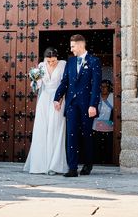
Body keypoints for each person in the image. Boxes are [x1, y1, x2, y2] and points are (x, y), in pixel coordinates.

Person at [54, 34, 102, 177]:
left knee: (86, 135)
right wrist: (57, 97)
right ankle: (72, 168)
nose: (71, 49)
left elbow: (96, 85)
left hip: (87, 105)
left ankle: (87, 165)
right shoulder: (70, 61)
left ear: (80, 45)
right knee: (71, 135)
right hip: (71, 104)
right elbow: (65, 82)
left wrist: (93, 104)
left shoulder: (94, 61)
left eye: (73, 46)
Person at [23, 47, 68, 174]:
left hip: (58, 100)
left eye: (53, 61)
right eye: (49, 61)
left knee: (56, 130)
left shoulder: (63, 64)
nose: (51, 63)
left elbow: (66, 83)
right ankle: (40, 164)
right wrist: (34, 80)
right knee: (42, 129)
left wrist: (60, 99)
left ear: (57, 57)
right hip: (44, 100)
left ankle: (54, 165)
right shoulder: (41, 66)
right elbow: (37, 86)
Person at [92, 79, 115, 165]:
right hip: (97, 125)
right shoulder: (96, 96)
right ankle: (97, 162)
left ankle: (108, 162)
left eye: (105, 87)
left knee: (108, 146)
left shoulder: (113, 96)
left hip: (109, 126)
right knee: (97, 146)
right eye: (101, 87)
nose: (103, 89)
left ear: (109, 88)